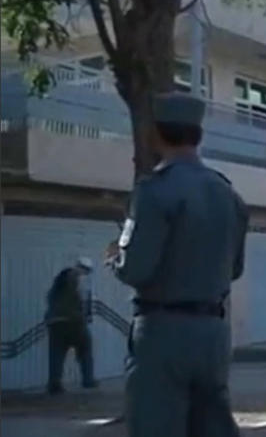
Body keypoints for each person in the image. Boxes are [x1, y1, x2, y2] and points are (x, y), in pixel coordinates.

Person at [105, 92, 248, 437]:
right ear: (196, 134)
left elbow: (137, 269)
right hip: (213, 334)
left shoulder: (155, 190)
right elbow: (235, 269)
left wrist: (115, 258)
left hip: (163, 331)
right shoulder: (227, 193)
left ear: (156, 134)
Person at [45, 257, 98, 395]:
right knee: (85, 348)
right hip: (74, 321)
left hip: (55, 321)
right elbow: (84, 299)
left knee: (56, 354)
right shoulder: (81, 279)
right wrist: (87, 315)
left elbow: (49, 298)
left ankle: (54, 384)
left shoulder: (59, 279)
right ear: (85, 269)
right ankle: (88, 380)